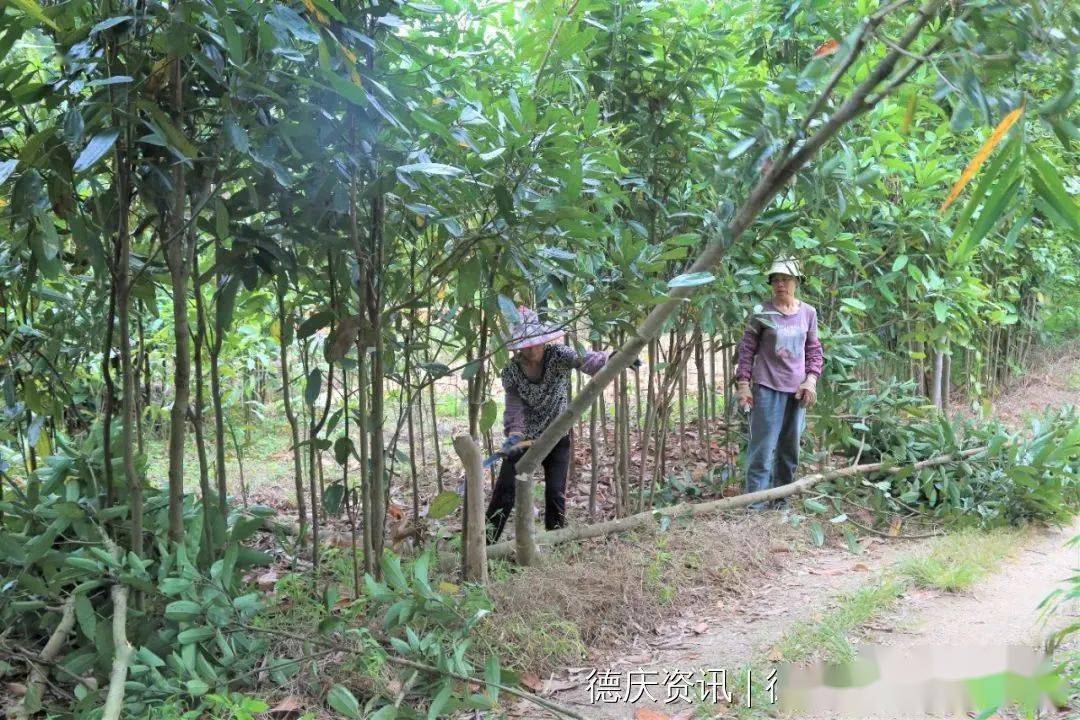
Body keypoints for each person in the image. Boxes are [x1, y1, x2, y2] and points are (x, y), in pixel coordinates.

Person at [485, 306, 625, 543]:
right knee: (505, 492)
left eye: (536, 342)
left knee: (555, 494)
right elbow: (514, 407)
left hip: (556, 435)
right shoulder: (511, 371)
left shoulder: (558, 355)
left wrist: (613, 359)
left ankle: (557, 544)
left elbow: (586, 360)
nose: (531, 349)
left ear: (543, 340)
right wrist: (515, 434)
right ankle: (486, 544)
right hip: (526, 439)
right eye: (525, 344)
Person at [735, 257, 824, 506]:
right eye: (775, 280)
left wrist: (811, 380)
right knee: (762, 452)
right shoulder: (762, 312)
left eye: (785, 279)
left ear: (796, 282)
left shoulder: (808, 313)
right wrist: (743, 384)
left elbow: (814, 350)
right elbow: (747, 349)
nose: (779, 284)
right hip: (767, 388)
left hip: (796, 393)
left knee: (789, 452)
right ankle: (755, 507)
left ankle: (781, 504)